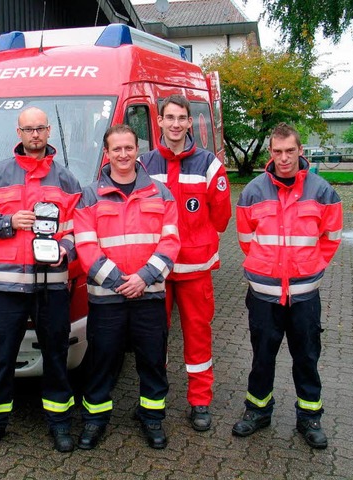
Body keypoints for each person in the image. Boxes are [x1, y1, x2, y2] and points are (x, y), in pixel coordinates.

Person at [0, 107, 82, 454]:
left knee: (56, 356)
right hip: (7, 287)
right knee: (0, 357)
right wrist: (7, 221)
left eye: (40, 128)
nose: (35, 135)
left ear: (49, 132)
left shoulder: (66, 179)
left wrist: (64, 248)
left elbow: (79, 229)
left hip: (52, 286)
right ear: (18, 133)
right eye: (28, 129)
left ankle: (59, 424)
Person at [233, 123, 342, 449]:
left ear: (300, 152)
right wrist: (267, 269)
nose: (283, 158)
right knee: (261, 357)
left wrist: (309, 269)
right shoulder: (252, 191)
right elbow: (245, 240)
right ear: (270, 153)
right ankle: (258, 410)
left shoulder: (322, 191)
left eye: (289, 152)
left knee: (307, 357)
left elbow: (331, 239)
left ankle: (309, 417)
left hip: (305, 295)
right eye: (278, 152)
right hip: (264, 294)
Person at [74, 124, 179, 450]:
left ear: (138, 150)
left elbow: (171, 242)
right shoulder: (90, 195)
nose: (123, 155)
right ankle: (95, 420)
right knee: (102, 361)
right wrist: (122, 282)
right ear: (107, 153)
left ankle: (151, 418)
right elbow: (86, 248)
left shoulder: (160, 193)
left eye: (128, 148)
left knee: (152, 360)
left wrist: (144, 278)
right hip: (108, 298)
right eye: (116, 149)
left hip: (148, 295)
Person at [138, 94, 231, 431]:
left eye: (182, 118)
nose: (176, 124)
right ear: (159, 122)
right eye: (169, 118)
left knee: (197, 336)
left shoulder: (209, 164)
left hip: (194, 269)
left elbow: (222, 217)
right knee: (153, 338)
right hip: (155, 271)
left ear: (191, 123)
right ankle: (153, 399)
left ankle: (200, 402)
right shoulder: (145, 164)